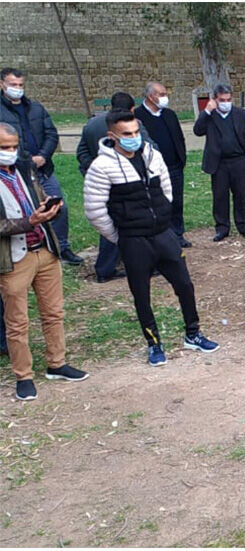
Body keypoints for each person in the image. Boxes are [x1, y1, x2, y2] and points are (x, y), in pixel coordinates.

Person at [84, 110, 219, 366]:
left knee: (184, 285)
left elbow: (166, 190)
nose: (133, 138)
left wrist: (162, 219)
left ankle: (193, 333)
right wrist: (120, 236)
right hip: (133, 241)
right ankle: (153, 343)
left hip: (163, 234)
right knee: (142, 295)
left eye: (136, 132)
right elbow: (95, 211)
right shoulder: (102, 167)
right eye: (127, 134)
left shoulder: (152, 155)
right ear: (112, 136)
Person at [0, 122, 88, 400]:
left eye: (14, 146)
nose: (10, 152)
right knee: (17, 322)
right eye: (4, 148)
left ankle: (57, 363)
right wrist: (29, 221)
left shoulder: (25, 170)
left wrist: (48, 207)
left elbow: (35, 199)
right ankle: (23, 376)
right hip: (14, 258)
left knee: (53, 313)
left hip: (45, 250)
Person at [0, 68, 83, 265]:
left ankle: (61, 247)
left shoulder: (36, 108)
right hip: (16, 171)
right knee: (22, 211)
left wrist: (43, 156)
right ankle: (28, 249)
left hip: (43, 169)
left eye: (21, 85)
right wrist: (23, 160)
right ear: (2, 84)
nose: (18, 89)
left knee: (58, 207)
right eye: (13, 85)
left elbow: (51, 133)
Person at [78, 92, 155, 284]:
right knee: (133, 223)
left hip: (102, 183)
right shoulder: (132, 126)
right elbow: (150, 149)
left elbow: (82, 152)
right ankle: (141, 264)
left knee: (109, 222)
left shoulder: (91, 124)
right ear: (131, 109)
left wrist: (94, 169)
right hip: (127, 183)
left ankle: (105, 268)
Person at [192, 83, 245, 242]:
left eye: (228, 99)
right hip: (219, 163)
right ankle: (222, 228)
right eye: (222, 100)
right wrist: (207, 110)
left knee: (241, 195)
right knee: (220, 196)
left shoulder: (241, 114)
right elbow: (197, 130)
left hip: (238, 161)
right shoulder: (210, 115)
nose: (226, 102)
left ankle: (244, 226)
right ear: (215, 99)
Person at [135, 81, 190, 248]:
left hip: (174, 166)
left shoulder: (169, 114)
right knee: (158, 203)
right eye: (162, 94)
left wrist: (182, 159)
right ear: (151, 97)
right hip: (153, 170)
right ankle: (162, 237)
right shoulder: (139, 116)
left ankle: (178, 234)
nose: (165, 98)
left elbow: (179, 138)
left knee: (177, 201)